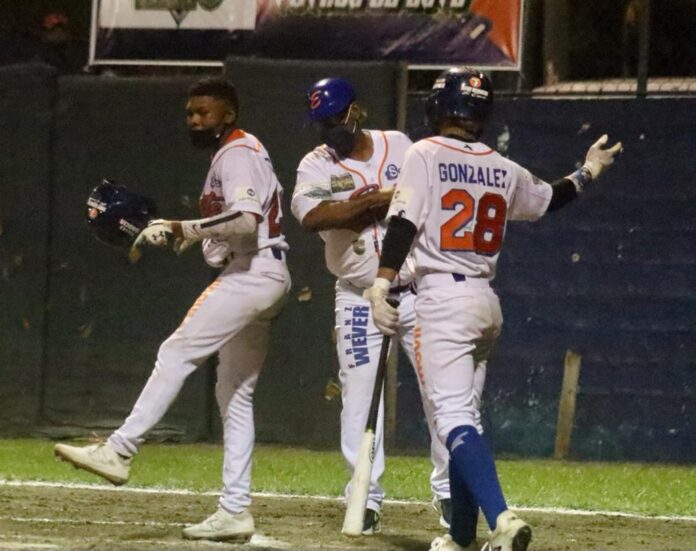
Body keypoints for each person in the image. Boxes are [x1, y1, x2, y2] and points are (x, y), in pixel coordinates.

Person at [364, 67, 622, 551]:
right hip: (485, 303)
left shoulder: (425, 152)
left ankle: (501, 518)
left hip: (441, 300)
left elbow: (402, 223)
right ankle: (461, 537)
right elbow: (550, 199)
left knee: (451, 421)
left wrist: (380, 285)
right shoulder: (501, 165)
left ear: (440, 106)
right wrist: (589, 171)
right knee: (465, 422)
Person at [54, 77, 291, 543]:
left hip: (253, 273)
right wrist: (195, 239)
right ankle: (235, 511)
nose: (195, 120)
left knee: (175, 351)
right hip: (265, 272)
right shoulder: (239, 152)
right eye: (190, 113)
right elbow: (236, 227)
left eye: (204, 112)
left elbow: (246, 220)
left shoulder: (236, 152)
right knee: (235, 395)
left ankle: (120, 449)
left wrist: (183, 227)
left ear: (229, 114)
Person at [291, 77, 451, 534]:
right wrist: (380, 201)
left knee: (441, 392)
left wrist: (366, 205)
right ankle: (365, 496)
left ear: (355, 111)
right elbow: (313, 216)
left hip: (418, 289)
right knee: (359, 397)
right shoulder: (316, 162)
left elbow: (426, 196)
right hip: (359, 293)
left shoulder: (398, 145)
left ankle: (449, 493)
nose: (330, 130)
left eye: (335, 119)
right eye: (322, 124)